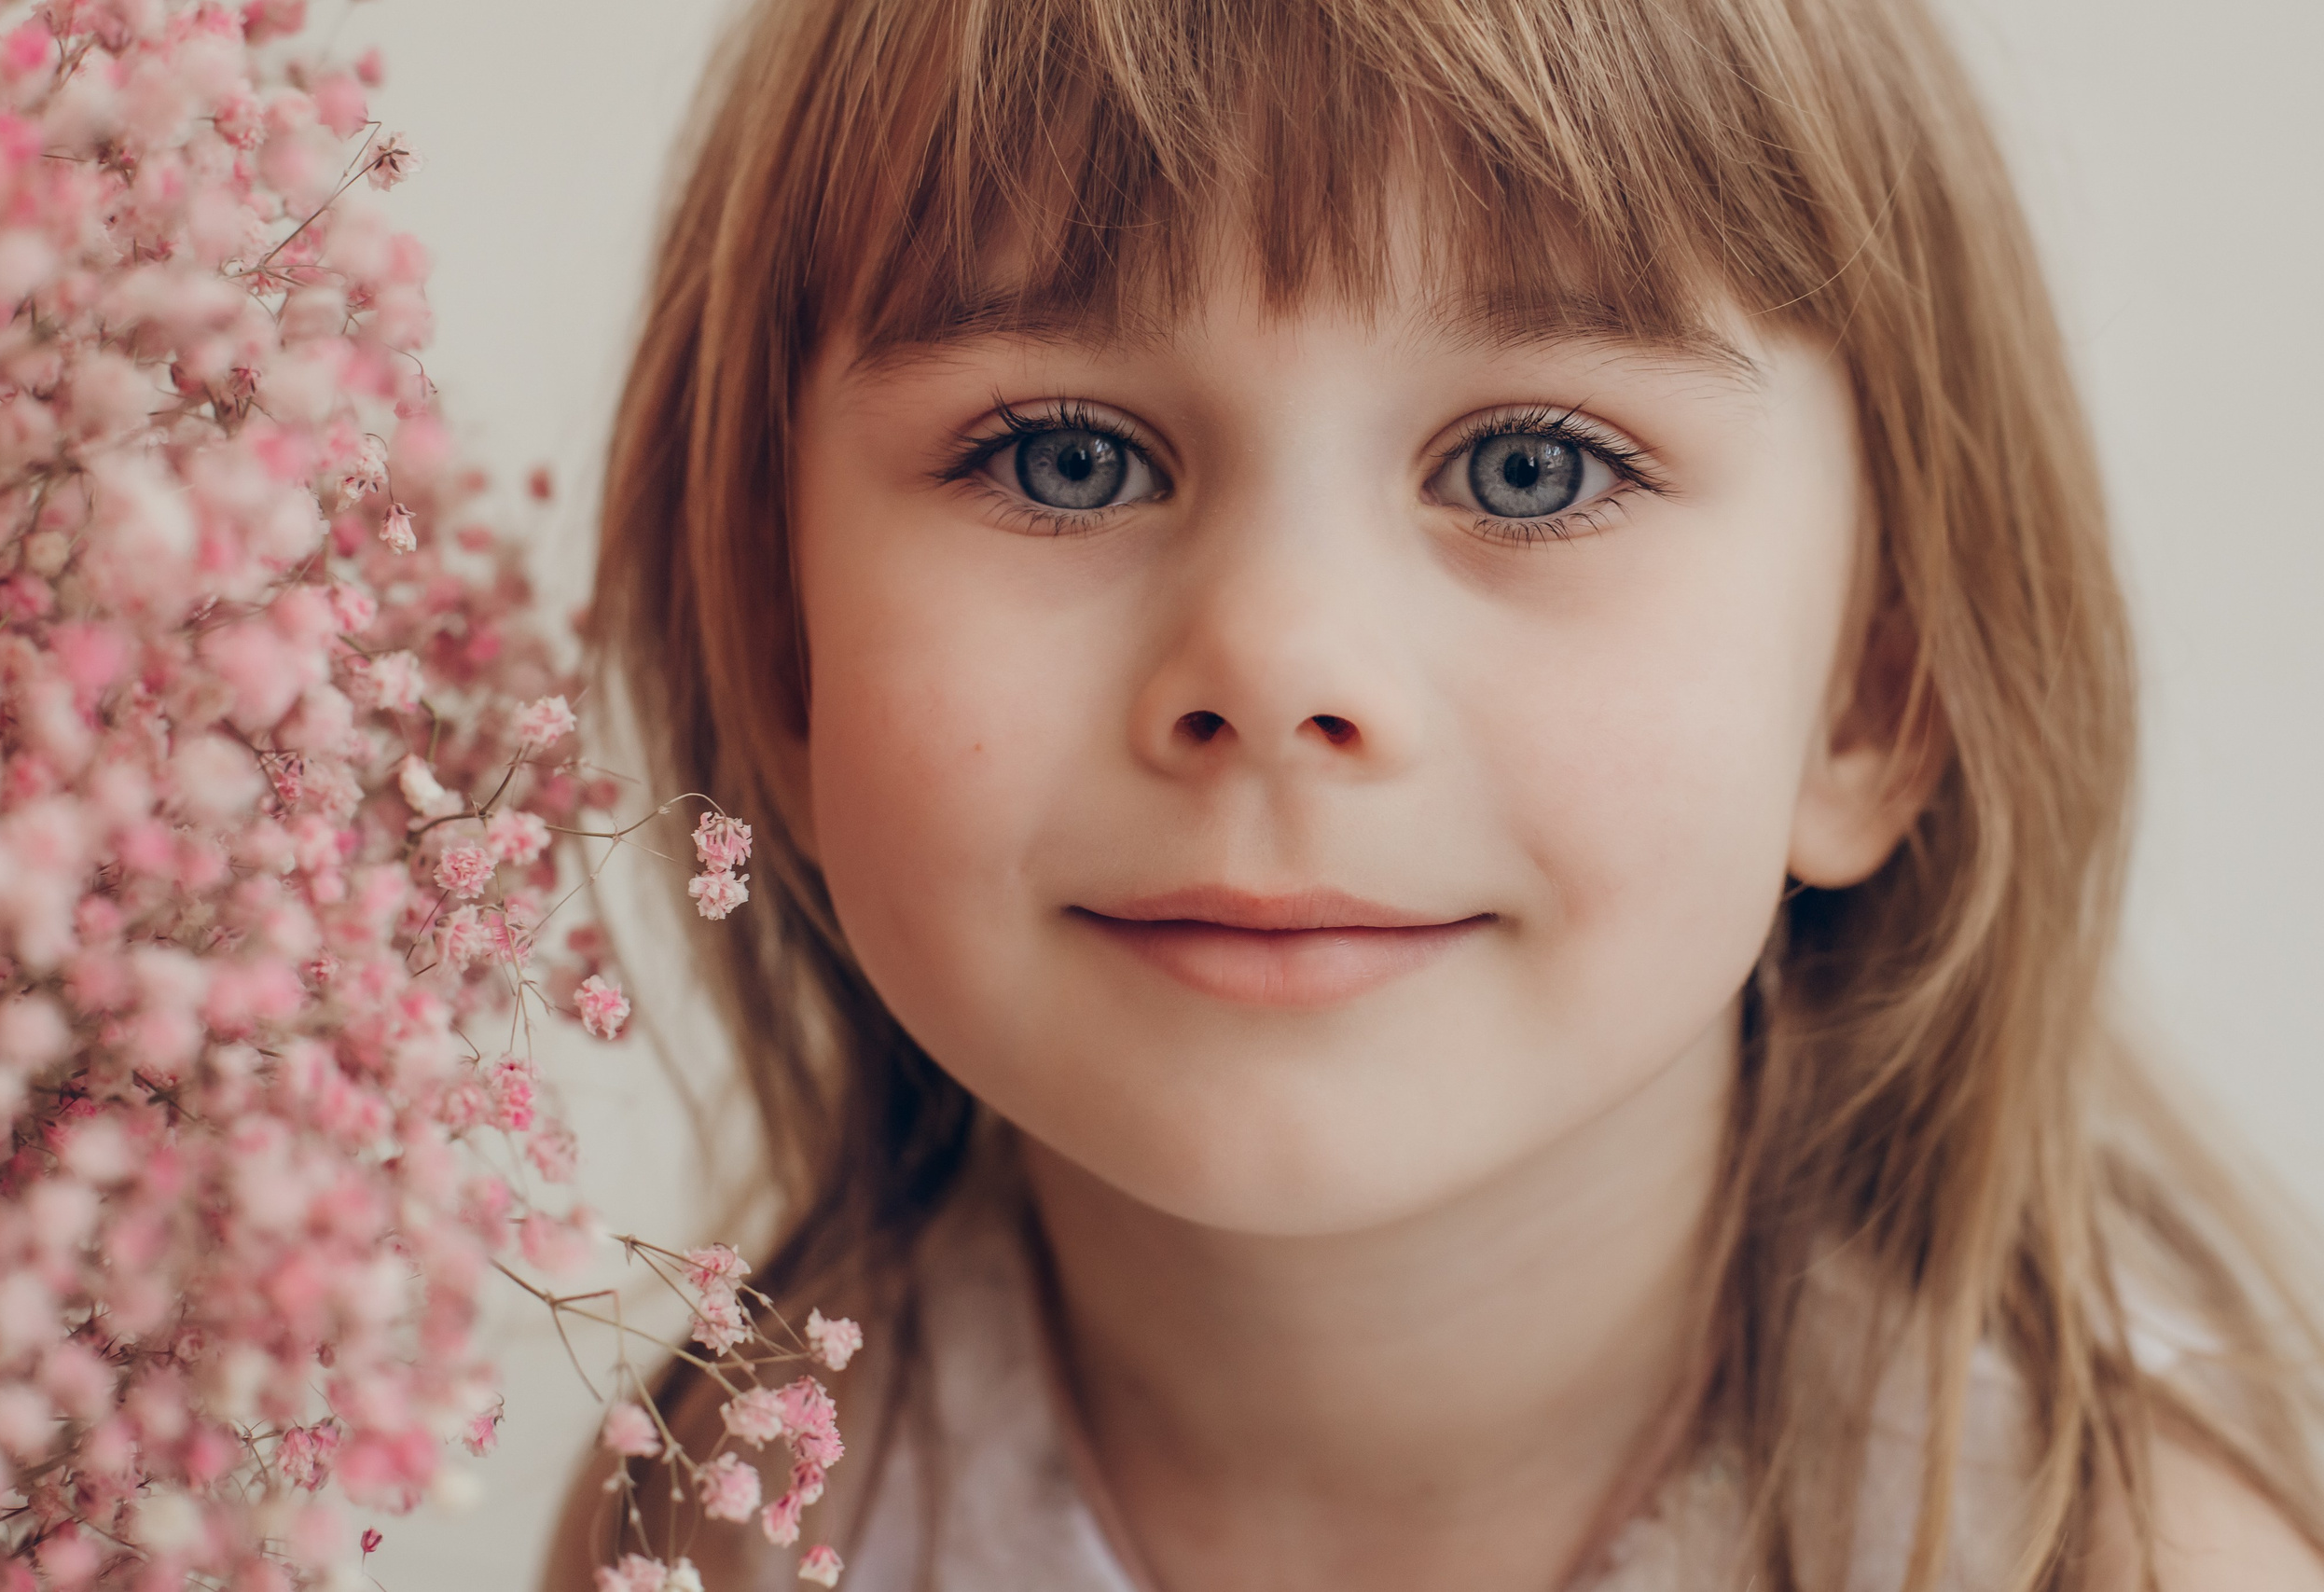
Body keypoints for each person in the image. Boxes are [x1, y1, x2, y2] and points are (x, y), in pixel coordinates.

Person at [544, 0, 2324, 1585]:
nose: (1278, 663)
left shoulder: (2110, 1566)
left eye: (1531, 467)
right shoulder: (732, 1526)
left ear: (1870, 693)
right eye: (1067, 458)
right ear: (783, 647)